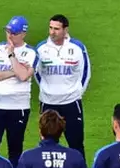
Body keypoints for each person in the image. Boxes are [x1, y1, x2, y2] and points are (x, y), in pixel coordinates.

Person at [0, 16, 38, 168]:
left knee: (15, 148)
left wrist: (11, 55)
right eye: (8, 31)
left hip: (18, 108)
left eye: (13, 33)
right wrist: (13, 71)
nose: (10, 35)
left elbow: (24, 76)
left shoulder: (31, 53)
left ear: (23, 34)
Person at [35, 15, 91, 158]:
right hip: (48, 103)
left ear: (65, 29)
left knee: (76, 144)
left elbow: (85, 73)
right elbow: (37, 73)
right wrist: (46, 89)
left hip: (71, 103)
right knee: (46, 145)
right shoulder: (41, 49)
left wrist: (77, 93)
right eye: (51, 28)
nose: (52, 32)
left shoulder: (77, 48)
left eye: (56, 29)